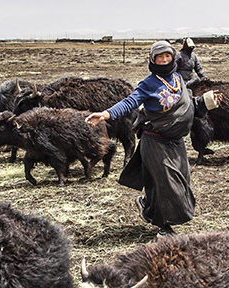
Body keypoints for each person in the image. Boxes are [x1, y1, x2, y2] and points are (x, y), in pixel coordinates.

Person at [85, 41, 220, 239]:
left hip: (176, 141)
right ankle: (164, 228)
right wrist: (106, 114)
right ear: (153, 60)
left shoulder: (178, 79)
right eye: (160, 56)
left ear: (173, 57)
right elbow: (130, 102)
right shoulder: (149, 83)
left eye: (167, 55)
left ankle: (148, 206)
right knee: (167, 185)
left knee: (180, 182)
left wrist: (206, 102)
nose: (164, 59)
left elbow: (188, 104)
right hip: (155, 140)